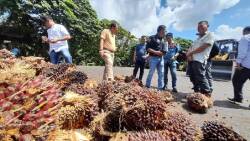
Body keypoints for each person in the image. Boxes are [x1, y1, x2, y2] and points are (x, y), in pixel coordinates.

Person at [186, 21, 214, 96]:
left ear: (207, 26)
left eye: (201, 26)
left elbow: (203, 48)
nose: (199, 28)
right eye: (198, 26)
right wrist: (188, 54)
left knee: (200, 77)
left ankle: (207, 93)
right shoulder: (197, 38)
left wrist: (191, 53)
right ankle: (197, 92)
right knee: (192, 77)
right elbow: (191, 47)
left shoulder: (209, 35)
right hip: (192, 60)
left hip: (199, 60)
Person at [228, 26, 250, 104]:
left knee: (236, 80)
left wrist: (238, 63)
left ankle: (238, 98)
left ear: (245, 31)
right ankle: (238, 97)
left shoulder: (245, 38)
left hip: (245, 65)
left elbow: (242, 52)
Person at [146, 25, 168, 90]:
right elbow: (147, 48)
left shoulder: (164, 41)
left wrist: (154, 51)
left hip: (161, 59)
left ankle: (160, 89)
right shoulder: (152, 38)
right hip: (153, 58)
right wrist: (157, 52)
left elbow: (164, 52)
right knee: (151, 72)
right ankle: (147, 86)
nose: (165, 32)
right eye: (165, 30)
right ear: (161, 30)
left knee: (161, 74)